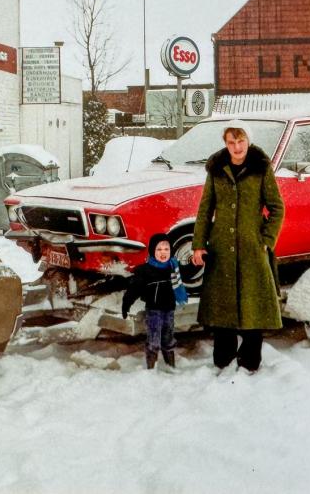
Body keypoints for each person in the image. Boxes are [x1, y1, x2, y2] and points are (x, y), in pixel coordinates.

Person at [191, 119, 285, 372]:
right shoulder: (216, 168)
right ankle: (223, 360)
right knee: (222, 306)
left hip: (252, 247)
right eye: (231, 142)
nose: (236, 147)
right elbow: (205, 209)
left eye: (240, 140)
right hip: (221, 247)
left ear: (248, 141)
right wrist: (199, 245)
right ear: (226, 143)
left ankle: (250, 361)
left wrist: (266, 241)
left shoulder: (261, 168)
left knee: (253, 305)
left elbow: (277, 208)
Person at [122, 233, 188, 369]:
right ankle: (151, 369)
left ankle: (171, 366)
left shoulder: (173, 267)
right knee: (154, 340)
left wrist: (199, 261)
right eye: (159, 249)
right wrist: (126, 303)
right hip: (154, 311)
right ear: (152, 251)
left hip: (169, 310)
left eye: (166, 249)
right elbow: (134, 289)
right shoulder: (146, 271)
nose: (163, 253)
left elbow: (189, 270)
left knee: (168, 339)